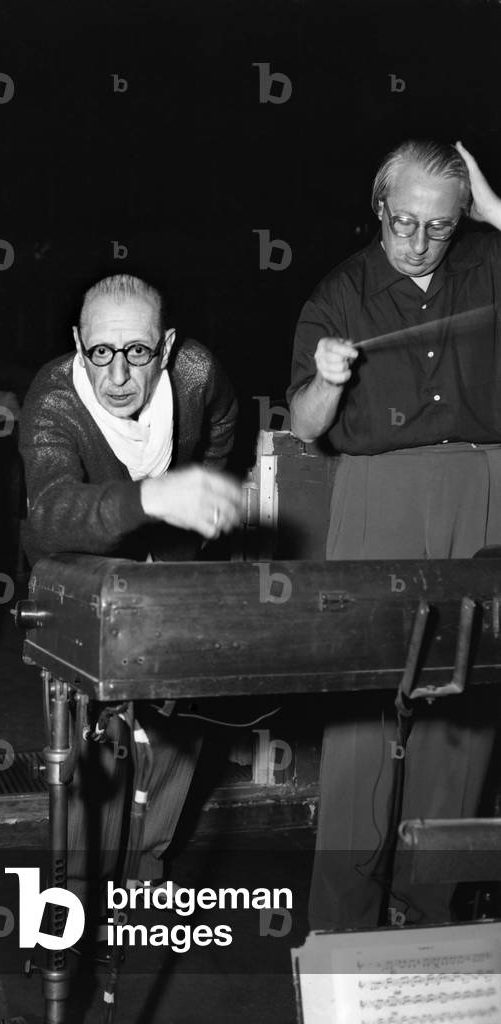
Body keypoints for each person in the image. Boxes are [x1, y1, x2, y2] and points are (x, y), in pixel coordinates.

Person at [288, 139, 501, 930]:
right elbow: (308, 426)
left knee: (466, 715)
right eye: (401, 220)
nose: (415, 242)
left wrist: (494, 212)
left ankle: (431, 918)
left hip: (488, 488)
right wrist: (327, 379)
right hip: (381, 493)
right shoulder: (340, 290)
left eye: (438, 227)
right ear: (377, 208)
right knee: (365, 716)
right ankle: (340, 928)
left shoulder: (488, 262)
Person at [19, 274, 243, 915]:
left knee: (174, 724)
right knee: (93, 753)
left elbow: (224, 424)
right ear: (78, 344)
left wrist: (197, 494)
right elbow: (50, 510)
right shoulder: (54, 397)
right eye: (100, 353)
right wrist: (152, 496)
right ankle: (78, 898)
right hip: (74, 573)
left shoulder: (196, 374)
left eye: (138, 353)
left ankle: (146, 879)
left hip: (169, 564)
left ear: (167, 346)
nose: (117, 375)